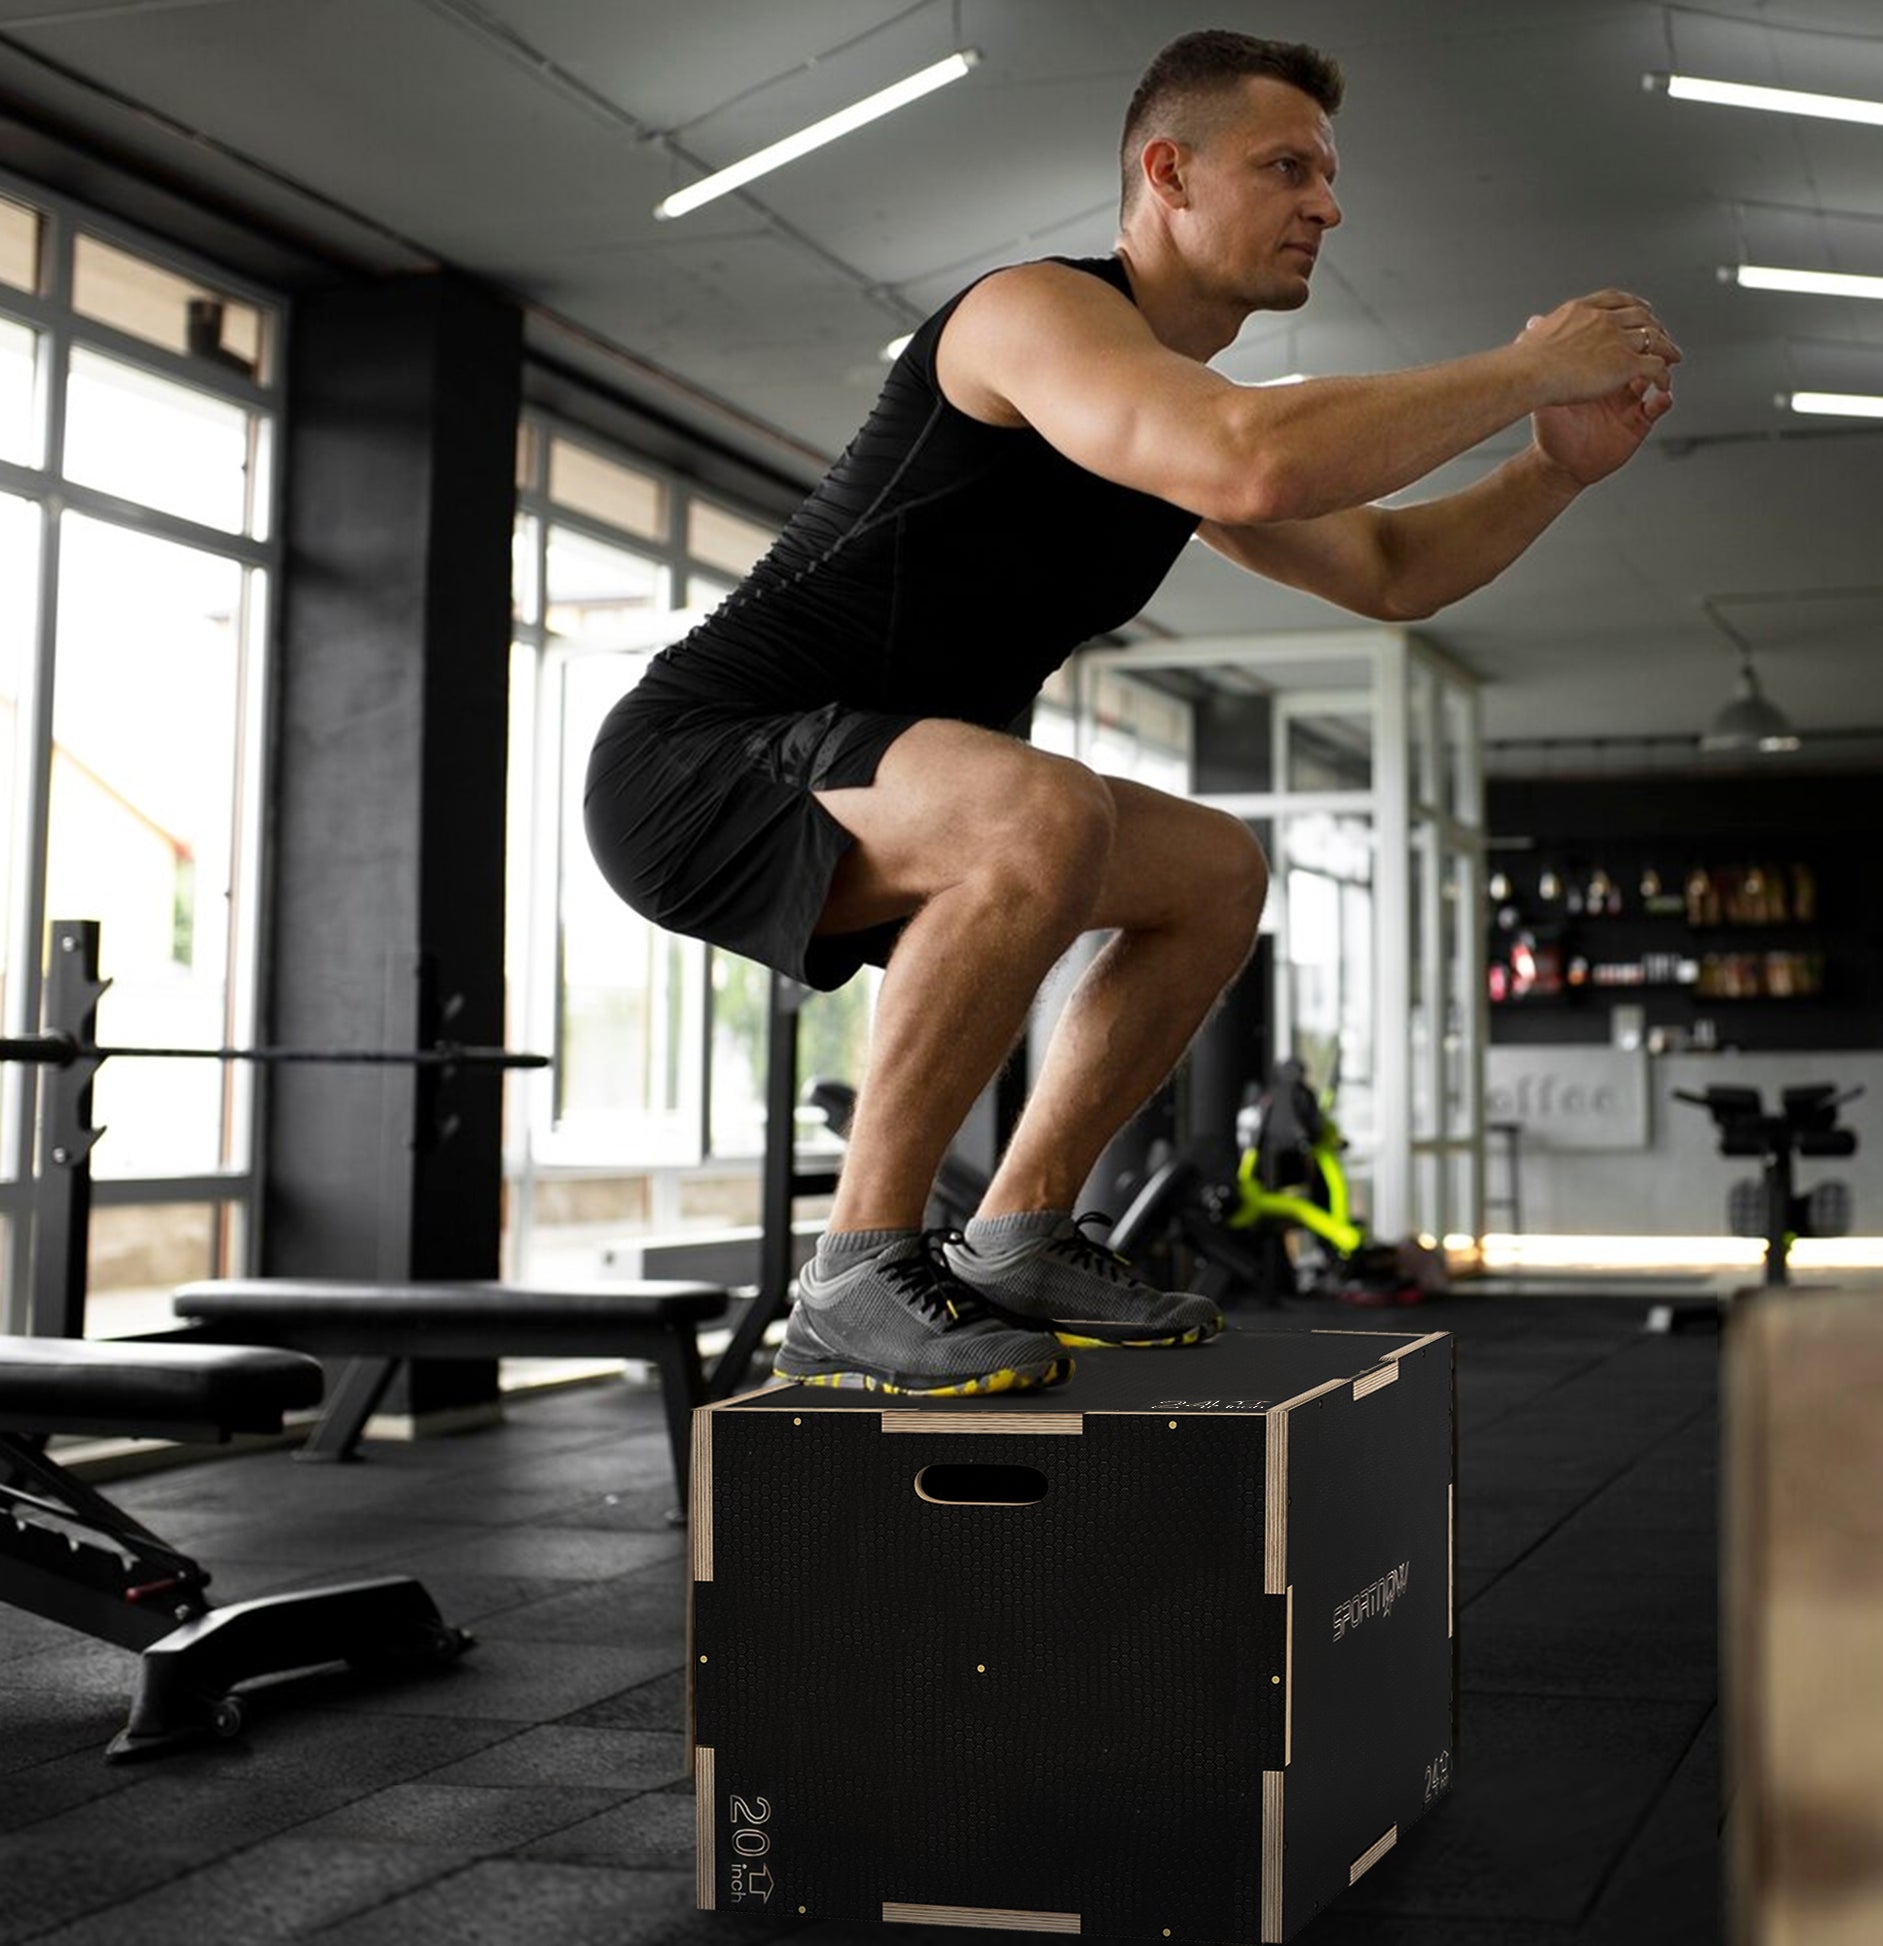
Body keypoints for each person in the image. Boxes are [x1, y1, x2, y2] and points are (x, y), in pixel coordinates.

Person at [584, 29, 1679, 1397]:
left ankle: (1015, 1231)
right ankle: (854, 1272)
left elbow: (1393, 569)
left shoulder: (1168, 426)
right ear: (1165, 171)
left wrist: (1549, 470)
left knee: (1213, 870)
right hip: (698, 762)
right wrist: (1527, 368)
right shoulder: (1029, 316)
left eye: (1328, 178)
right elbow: (1251, 459)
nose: (1326, 206)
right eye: (1288, 168)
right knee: (1043, 808)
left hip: (875, 778)